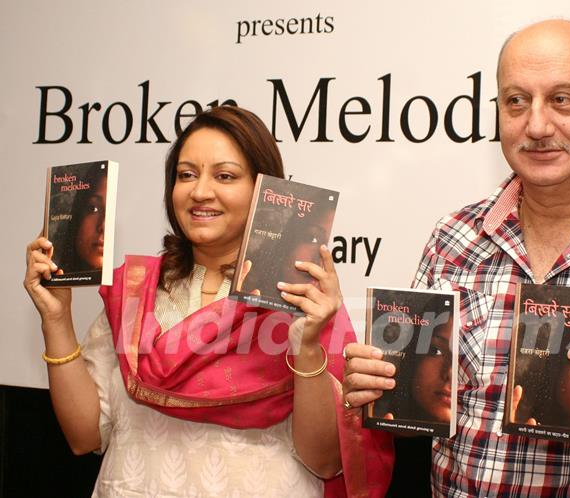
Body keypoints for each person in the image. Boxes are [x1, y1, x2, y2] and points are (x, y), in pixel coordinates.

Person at [342, 19, 570, 496]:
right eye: (516, 101)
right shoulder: (452, 240)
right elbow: (414, 421)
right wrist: (380, 391)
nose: (537, 126)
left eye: (562, 99)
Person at [24, 105, 393, 497]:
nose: (200, 191)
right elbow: (84, 436)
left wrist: (307, 346)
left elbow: (325, 462)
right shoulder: (137, 290)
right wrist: (57, 318)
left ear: (265, 191)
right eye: (186, 175)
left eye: (225, 176)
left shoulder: (302, 299)